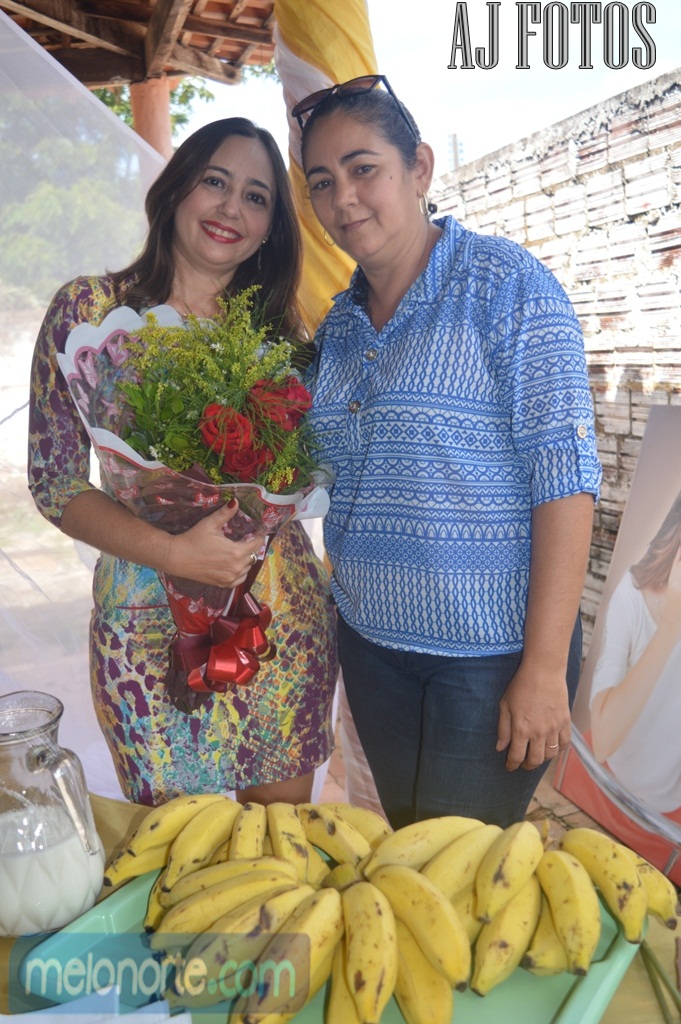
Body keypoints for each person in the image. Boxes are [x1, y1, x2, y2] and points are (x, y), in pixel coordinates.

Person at [295, 76, 602, 830]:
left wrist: (540, 669)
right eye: (321, 183)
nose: (344, 201)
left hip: (492, 657)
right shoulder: (336, 329)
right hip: (372, 648)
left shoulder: (505, 286)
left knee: (456, 875)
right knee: (408, 854)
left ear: (419, 168)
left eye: (363, 169)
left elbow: (564, 481)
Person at [28, 118, 338, 808]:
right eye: (215, 181)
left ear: (269, 229)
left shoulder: (287, 343)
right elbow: (53, 481)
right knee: (178, 866)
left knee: (280, 862)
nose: (232, 208)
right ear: (174, 190)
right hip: (143, 630)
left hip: (278, 621)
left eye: (257, 198)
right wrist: (174, 553)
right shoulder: (87, 311)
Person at [589, 486, 681, 815]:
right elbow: (602, 741)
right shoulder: (633, 594)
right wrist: (671, 623)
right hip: (601, 782)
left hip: (670, 816)